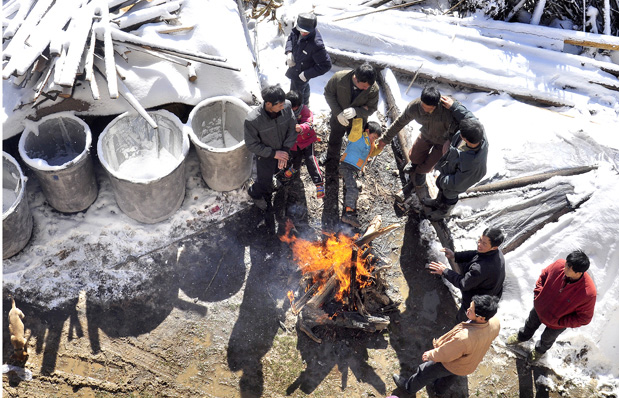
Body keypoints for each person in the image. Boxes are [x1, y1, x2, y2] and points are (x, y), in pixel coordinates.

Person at [393, 295, 500, 396]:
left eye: (471, 310)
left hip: (453, 362)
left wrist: (431, 355)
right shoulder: (495, 323)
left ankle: (408, 388)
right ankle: (438, 391)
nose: (468, 310)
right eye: (470, 306)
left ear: (481, 318)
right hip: (467, 364)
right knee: (451, 376)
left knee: (425, 371)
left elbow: (445, 354)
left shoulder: (464, 338)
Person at [377, 87, 476, 195]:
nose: (425, 110)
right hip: (426, 134)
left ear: (436, 104)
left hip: (443, 141)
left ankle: (419, 174)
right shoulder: (414, 107)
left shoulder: (448, 108)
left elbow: (465, 125)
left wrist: (450, 142)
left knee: (427, 166)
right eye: (423, 106)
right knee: (414, 156)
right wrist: (385, 139)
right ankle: (414, 165)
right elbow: (400, 122)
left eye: (429, 108)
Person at [506, 250, 597, 361]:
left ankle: (538, 352)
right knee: (529, 324)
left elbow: (584, 318)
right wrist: (538, 296)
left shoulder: (588, 293)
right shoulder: (558, 265)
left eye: (569, 267)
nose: (564, 268)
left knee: (547, 339)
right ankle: (522, 337)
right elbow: (543, 276)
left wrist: (561, 322)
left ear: (578, 273)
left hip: (557, 323)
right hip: (540, 309)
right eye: (566, 264)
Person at [428, 227, 506, 323]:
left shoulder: (481, 269)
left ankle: (459, 327)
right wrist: (455, 256)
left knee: (464, 318)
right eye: (480, 240)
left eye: (484, 243)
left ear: (494, 247)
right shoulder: (496, 253)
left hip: (477, 302)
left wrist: (445, 271)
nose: (479, 244)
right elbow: (477, 254)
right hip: (491, 292)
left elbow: (463, 284)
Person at [422, 116, 488, 220]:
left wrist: (442, 181)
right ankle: (437, 202)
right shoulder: (477, 132)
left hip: (464, 178)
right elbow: (467, 115)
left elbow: (456, 183)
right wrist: (453, 106)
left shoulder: (472, 163)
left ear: (466, 139)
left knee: (450, 193)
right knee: (443, 188)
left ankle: (444, 212)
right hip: (455, 169)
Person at [244, 85, 297, 210]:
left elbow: (292, 128)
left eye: (283, 104)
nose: (283, 107)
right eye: (279, 105)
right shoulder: (253, 120)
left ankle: (274, 180)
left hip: (284, 150)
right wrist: (274, 153)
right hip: (266, 156)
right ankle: (255, 194)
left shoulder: (287, 106)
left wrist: (284, 150)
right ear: (268, 104)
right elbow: (251, 144)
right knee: (264, 181)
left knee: (280, 170)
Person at [322, 62, 379, 171]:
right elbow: (328, 93)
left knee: (356, 144)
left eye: (369, 86)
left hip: (357, 123)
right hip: (338, 118)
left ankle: (350, 165)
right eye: (364, 86)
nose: (367, 88)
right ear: (356, 79)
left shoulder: (373, 88)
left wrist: (356, 111)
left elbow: (372, 108)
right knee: (334, 140)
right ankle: (331, 160)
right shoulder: (339, 78)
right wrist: (338, 112)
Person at [281, 90, 324, 199]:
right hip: (293, 143)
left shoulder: (304, 110)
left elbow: (309, 123)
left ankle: (319, 183)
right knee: (296, 158)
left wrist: (301, 128)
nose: (294, 109)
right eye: (292, 107)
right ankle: (295, 167)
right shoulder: (283, 111)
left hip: (306, 140)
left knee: (310, 159)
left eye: (296, 107)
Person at [339, 120, 382, 227]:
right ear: (367, 131)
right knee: (353, 189)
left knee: (352, 186)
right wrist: (360, 116)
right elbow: (356, 126)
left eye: (376, 139)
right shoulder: (357, 136)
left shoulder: (370, 144)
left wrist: (381, 146)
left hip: (353, 170)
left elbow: (373, 152)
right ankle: (348, 214)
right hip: (345, 166)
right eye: (373, 137)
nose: (374, 140)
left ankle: (349, 204)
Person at [285, 13, 332, 106]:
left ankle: (298, 113)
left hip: (302, 73)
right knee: (304, 88)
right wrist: (289, 52)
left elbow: (326, 65)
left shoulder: (316, 44)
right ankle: (305, 105)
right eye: (301, 30)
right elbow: (290, 38)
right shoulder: (297, 30)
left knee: (295, 98)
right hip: (295, 68)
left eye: (306, 31)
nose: (303, 33)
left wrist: (307, 74)